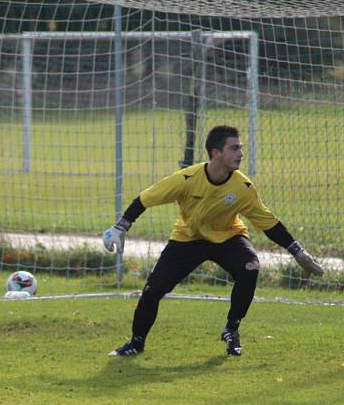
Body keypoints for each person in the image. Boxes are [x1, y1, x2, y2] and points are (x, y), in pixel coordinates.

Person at [103, 125, 323, 357]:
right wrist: (122, 226)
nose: (241, 154)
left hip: (228, 237)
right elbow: (146, 198)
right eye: (234, 148)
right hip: (188, 238)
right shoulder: (187, 178)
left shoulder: (243, 187)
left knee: (250, 266)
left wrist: (297, 251)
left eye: (241, 148)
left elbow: (268, 222)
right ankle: (136, 343)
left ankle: (231, 329)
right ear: (216, 153)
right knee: (152, 290)